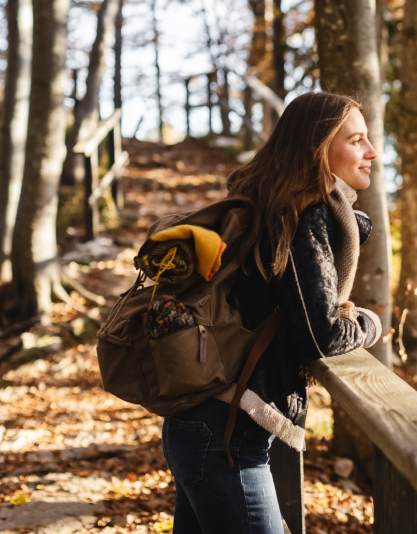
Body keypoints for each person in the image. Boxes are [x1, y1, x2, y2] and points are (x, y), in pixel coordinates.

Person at [161, 92, 382, 534]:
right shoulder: (300, 213)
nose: (372, 151)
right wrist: (368, 323)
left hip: (203, 425)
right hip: (225, 435)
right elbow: (321, 334)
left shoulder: (272, 203)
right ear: (319, 147)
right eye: (357, 140)